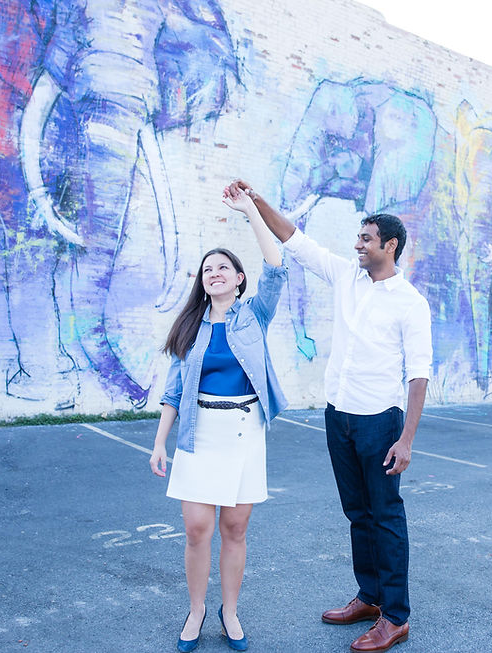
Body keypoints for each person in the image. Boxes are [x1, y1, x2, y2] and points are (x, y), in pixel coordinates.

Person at [224, 180, 432, 653]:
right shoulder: (345, 276)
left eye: (366, 239)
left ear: (390, 246)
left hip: (380, 420)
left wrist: (406, 440)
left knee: (386, 516)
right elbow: (295, 240)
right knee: (357, 512)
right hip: (339, 415)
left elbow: (419, 374)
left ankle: (395, 617)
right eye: (358, 237)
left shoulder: (410, 302)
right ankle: (370, 597)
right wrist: (255, 202)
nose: (357, 245)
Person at [150, 187, 287, 653]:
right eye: (208, 269)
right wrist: (160, 442)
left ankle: (230, 610)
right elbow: (173, 391)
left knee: (234, 529)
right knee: (196, 529)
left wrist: (250, 211)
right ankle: (196, 610)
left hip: (244, 432)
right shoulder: (190, 326)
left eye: (223, 267)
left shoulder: (255, 317)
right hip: (198, 432)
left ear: (239, 279)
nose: (214, 273)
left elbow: (277, 267)